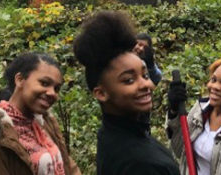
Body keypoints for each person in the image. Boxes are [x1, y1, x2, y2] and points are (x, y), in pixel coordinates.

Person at [73, 11, 179, 175]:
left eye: (144, 75)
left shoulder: (112, 133)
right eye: (129, 80)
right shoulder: (141, 164)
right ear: (101, 93)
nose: (146, 85)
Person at [0, 52, 81, 175]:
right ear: (20, 79)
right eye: (44, 83)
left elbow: (68, 165)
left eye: (56, 88)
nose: (52, 93)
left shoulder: (45, 123)